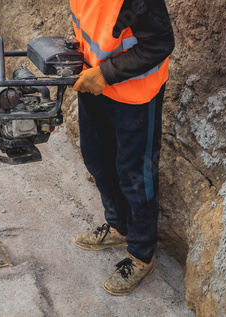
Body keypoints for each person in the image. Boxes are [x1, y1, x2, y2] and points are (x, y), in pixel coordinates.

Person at [69, 0, 175, 295]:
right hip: (94, 82)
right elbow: (92, 26)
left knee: (136, 175)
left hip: (136, 95)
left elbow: (160, 43)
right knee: (97, 158)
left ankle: (142, 255)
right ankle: (118, 227)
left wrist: (105, 74)